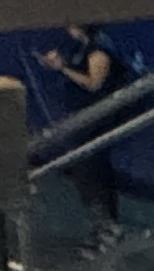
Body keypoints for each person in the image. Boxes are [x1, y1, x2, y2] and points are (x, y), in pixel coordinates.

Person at [38, 22, 135, 249]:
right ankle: (102, 225)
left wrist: (63, 68)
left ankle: (108, 226)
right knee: (87, 174)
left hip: (96, 123)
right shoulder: (83, 47)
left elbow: (94, 83)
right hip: (85, 121)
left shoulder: (99, 49)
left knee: (93, 173)